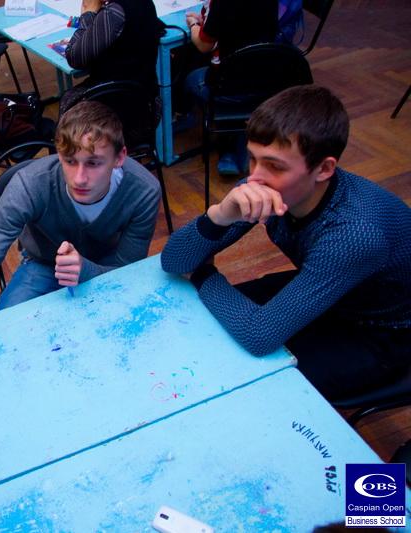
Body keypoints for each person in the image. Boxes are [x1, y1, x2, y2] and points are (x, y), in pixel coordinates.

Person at [161, 85, 411, 400]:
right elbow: (173, 261)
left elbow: (259, 335)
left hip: (381, 333)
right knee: (202, 320)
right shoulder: (268, 188)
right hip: (337, 292)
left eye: (275, 166)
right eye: (252, 159)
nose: (254, 177)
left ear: (324, 169)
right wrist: (220, 215)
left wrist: (202, 274)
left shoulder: (353, 234)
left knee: (246, 383)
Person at [0, 101, 162, 394]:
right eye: (70, 161)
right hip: (43, 264)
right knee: (3, 348)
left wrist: (84, 269)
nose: (79, 178)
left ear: (119, 157)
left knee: (122, 356)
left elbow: (128, 272)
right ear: (58, 153)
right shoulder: (30, 185)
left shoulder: (143, 190)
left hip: (108, 268)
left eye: (94, 163)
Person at [184, 0, 278, 175]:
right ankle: (240, 142)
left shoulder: (222, 3)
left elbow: (203, 45)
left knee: (192, 78)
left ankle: (226, 144)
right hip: (266, 78)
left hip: (229, 84)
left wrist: (194, 24)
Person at [62, 0, 164, 117]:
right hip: (146, 98)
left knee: (68, 100)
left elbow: (74, 57)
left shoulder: (114, 11)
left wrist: (88, 14)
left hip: (115, 105)